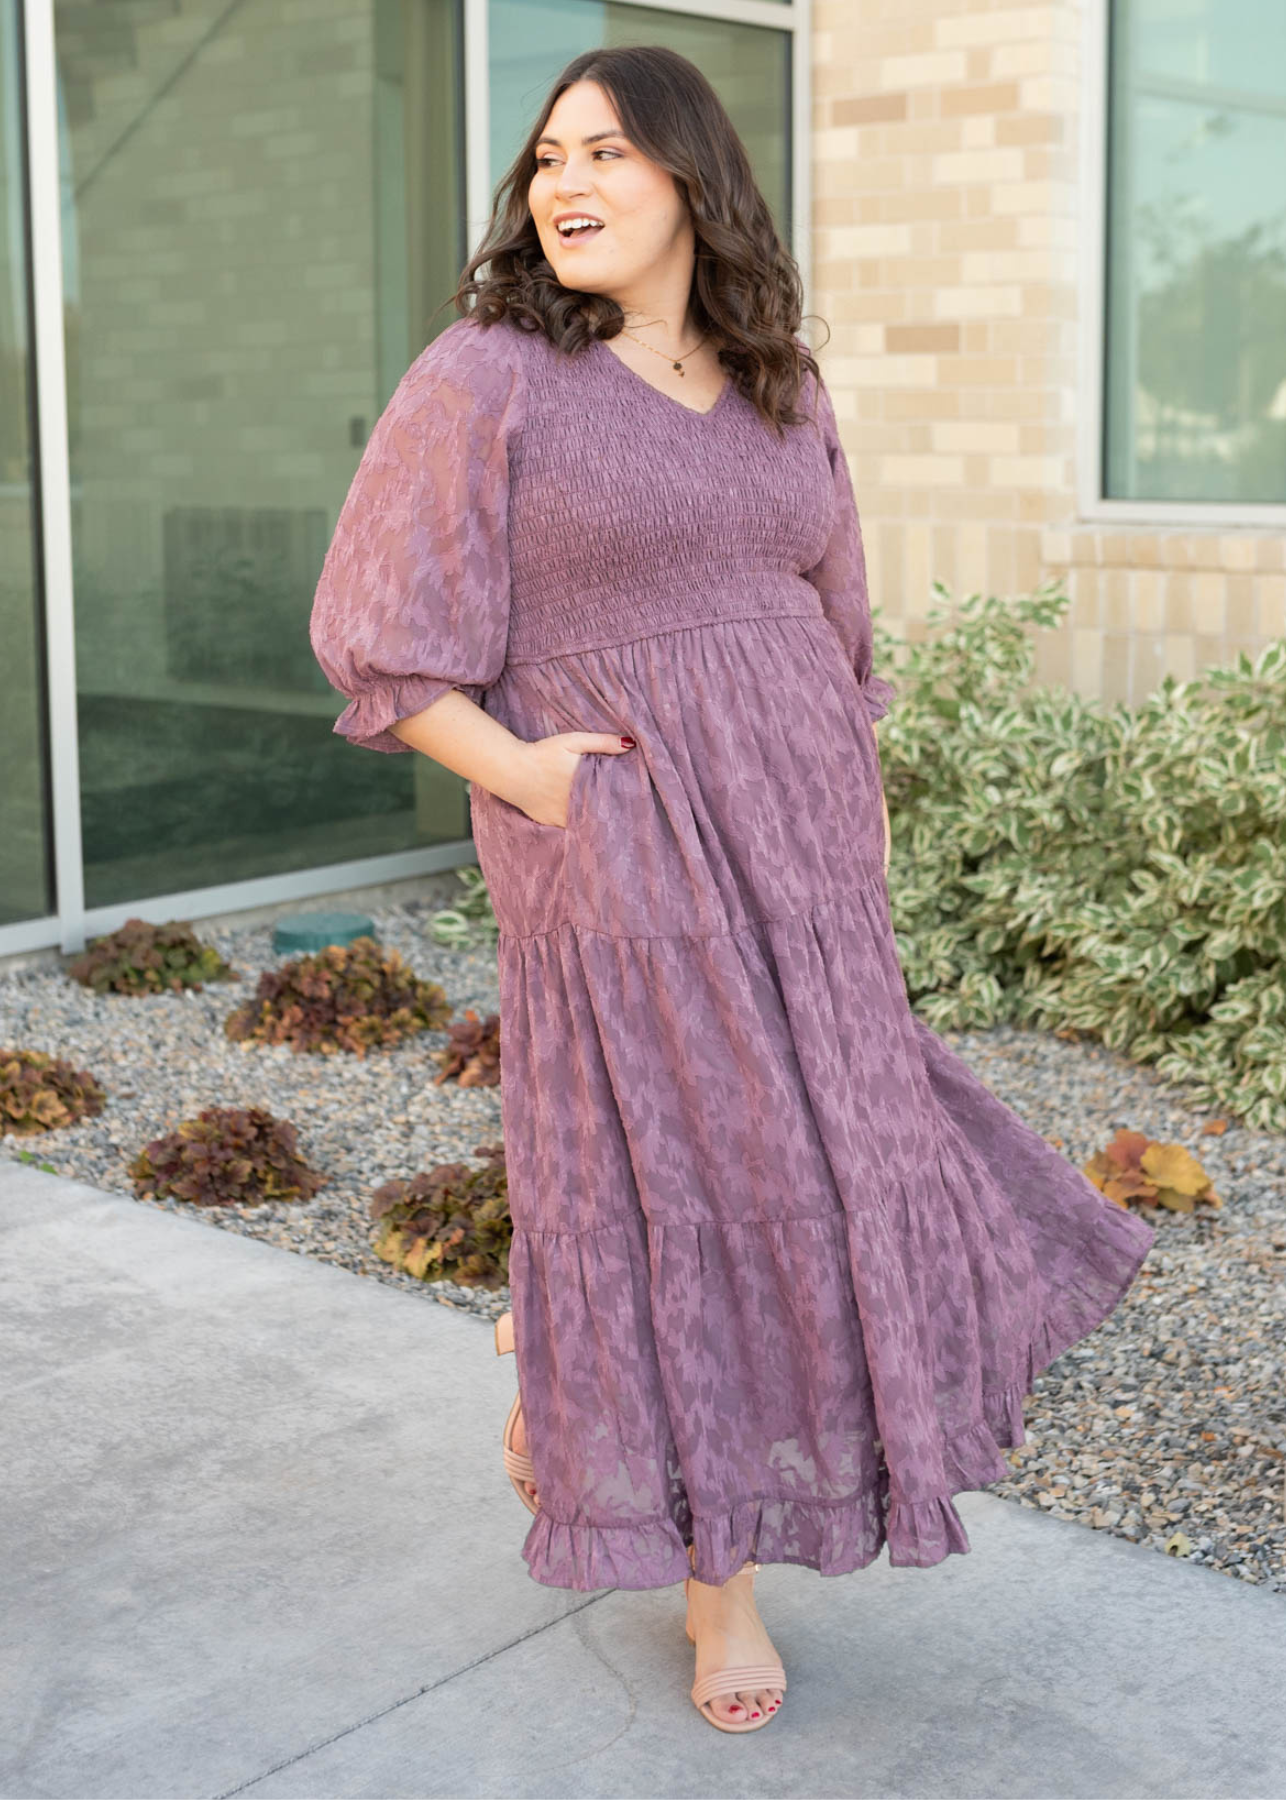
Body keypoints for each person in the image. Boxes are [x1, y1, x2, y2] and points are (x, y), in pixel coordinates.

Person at [310, 44, 1156, 1735]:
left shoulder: (780, 380)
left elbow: (833, 620)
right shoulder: (488, 376)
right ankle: (718, 1594)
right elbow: (379, 636)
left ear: (692, 178)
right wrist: (532, 778)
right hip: (621, 857)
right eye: (548, 157)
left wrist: (848, 800)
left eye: (608, 153)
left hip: (805, 853)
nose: (566, 183)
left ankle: (571, 1363)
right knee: (695, 1196)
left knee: (841, 1171)